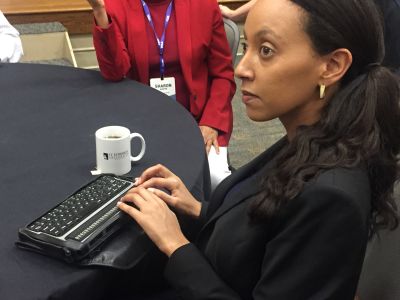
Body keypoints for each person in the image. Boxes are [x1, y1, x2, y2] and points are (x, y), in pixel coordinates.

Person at [117, 0, 400, 299]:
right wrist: (199, 211)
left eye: (266, 51)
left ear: (331, 66)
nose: (241, 69)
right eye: (246, 48)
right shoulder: (312, 137)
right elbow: (264, 238)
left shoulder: (330, 197)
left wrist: (175, 245)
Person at [87, 0, 236, 190]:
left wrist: (211, 123)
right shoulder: (115, 6)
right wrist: (100, 11)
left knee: (214, 183)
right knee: (135, 189)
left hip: (199, 120)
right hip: (142, 123)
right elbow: (115, 73)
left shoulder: (203, 5)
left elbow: (223, 75)